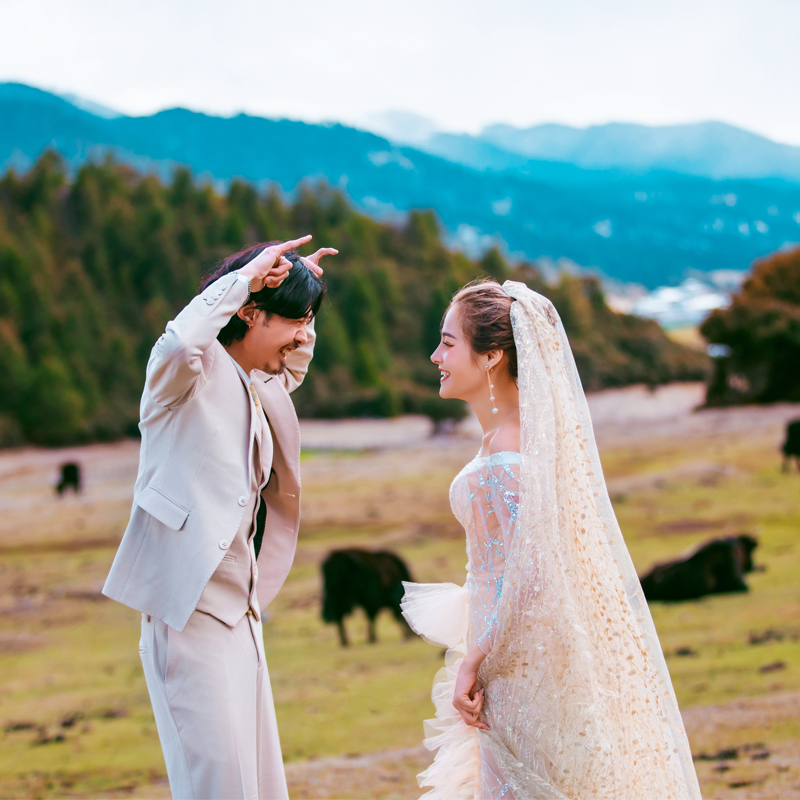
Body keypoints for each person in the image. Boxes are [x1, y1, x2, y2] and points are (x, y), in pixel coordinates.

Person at [401, 279, 702, 799]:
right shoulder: (512, 441)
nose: (436, 356)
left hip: (516, 661)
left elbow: (536, 575)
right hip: (513, 650)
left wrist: (476, 659)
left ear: (492, 356)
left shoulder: (506, 460)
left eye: (449, 343)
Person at [103, 236, 336, 800]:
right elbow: (182, 338)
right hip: (188, 616)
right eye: (293, 323)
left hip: (242, 619)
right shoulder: (182, 377)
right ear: (250, 313)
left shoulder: (261, 384)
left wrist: (307, 291)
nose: (302, 338)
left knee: (261, 787)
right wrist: (244, 280)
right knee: (219, 789)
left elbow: (294, 362)